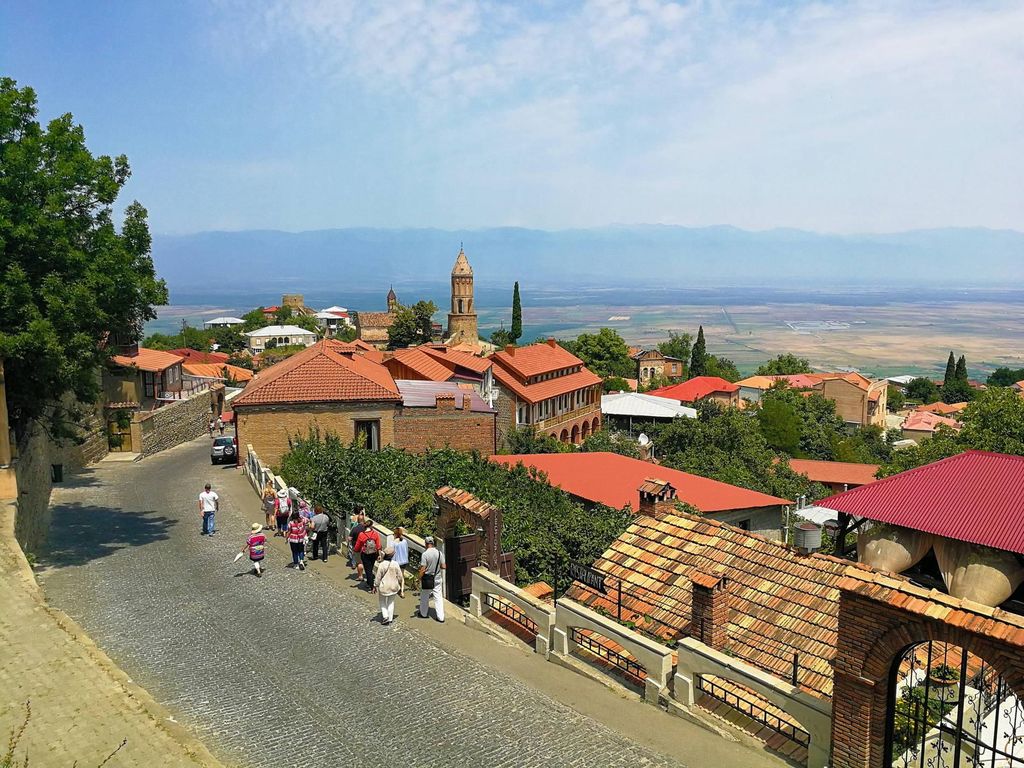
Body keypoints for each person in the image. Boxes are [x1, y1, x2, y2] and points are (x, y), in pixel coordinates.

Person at [418, 536, 446, 622]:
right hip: (437, 577)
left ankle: (423, 613)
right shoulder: (439, 553)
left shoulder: (425, 554)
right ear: (433, 543)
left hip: (427, 578)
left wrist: (419, 578)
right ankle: (441, 617)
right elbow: (444, 566)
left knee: (424, 596)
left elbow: (423, 569)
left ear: (426, 544)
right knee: (438, 597)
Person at [374, 547, 404, 625]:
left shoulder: (382, 565)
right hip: (394, 586)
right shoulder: (395, 564)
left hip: (384, 587)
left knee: (382, 601)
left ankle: (385, 616)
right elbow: (400, 576)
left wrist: (375, 585)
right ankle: (390, 618)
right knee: (391, 602)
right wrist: (401, 585)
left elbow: (378, 577)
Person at [354, 519, 382, 591]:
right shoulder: (375, 533)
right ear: (371, 526)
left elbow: (358, 545)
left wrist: (355, 551)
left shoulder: (361, 534)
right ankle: (369, 583)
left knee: (367, 570)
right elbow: (378, 545)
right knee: (370, 568)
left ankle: (372, 586)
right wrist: (379, 555)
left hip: (365, 554)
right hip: (373, 554)